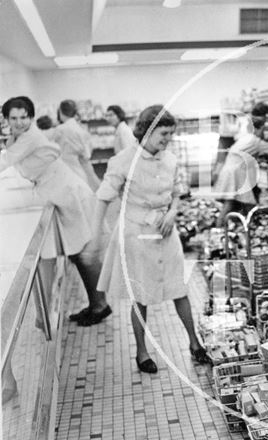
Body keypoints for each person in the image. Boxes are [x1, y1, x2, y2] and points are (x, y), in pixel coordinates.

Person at [93, 105, 211, 374]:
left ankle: (194, 344)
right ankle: (142, 352)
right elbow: (103, 196)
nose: (167, 139)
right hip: (136, 234)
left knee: (179, 290)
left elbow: (178, 191)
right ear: (145, 131)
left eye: (170, 133)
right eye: (163, 133)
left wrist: (172, 212)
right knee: (140, 296)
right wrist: (96, 235)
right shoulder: (123, 161)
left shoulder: (169, 159)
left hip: (166, 232)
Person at [0, 96, 111, 326]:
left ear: (31, 117)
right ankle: (96, 303)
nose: (19, 122)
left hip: (68, 194)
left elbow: (6, 161)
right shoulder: (18, 137)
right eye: (14, 118)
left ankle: (100, 305)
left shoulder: (29, 137)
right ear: (7, 119)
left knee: (83, 253)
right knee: (77, 252)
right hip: (59, 194)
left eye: (24, 117)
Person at [213, 103, 268, 226]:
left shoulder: (246, 137)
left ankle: (239, 226)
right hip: (235, 174)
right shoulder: (255, 140)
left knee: (235, 202)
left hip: (231, 171)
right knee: (231, 203)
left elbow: (259, 143)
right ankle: (221, 227)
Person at [51, 99, 101, 191]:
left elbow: (52, 151)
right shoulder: (81, 130)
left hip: (64, 171)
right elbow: (87, 154)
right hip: (81, 171)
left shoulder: (59, 130)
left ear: (60, 112)